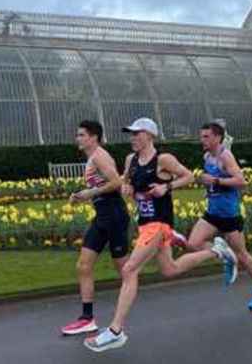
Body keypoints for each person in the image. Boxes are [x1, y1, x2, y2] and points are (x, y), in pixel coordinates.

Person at [84, 118, 237, 353]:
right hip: (145, 224)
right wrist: (127, 188)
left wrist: (167, 187)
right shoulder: (131, 160)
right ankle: (216, 250)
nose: (132, 138)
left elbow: (188, 176)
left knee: (129, 269)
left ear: (150, 136)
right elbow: (126, 182)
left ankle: (115, 331)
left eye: (137, 134)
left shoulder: (163, 160)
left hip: (160, 224)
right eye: (131, 134)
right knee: (170, 269)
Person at [182, 122, 252, 310]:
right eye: (202, 136)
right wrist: (209, 187)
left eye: (206, 137)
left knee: (243, 256)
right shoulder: (207, 156)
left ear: (217, 137)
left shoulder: (225, 156)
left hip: (230, 215)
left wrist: (215, 180)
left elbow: (241, 181)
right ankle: (225, 255)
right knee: (193, 244)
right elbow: (213, 182)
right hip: (212, 213)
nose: (202, 140)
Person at [61, 120, 130, 336]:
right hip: (102, 217)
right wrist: (81, 196)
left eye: (81, 135)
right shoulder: (93, 157)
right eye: (78, 135)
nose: (78, 138)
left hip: (114, 216)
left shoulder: (99, 156)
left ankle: (130, 303)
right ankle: (87, 318)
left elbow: (116, 183)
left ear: (93, 137)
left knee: (125, 269)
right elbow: (100, 186)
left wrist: (90, 193)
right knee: (83, 265)